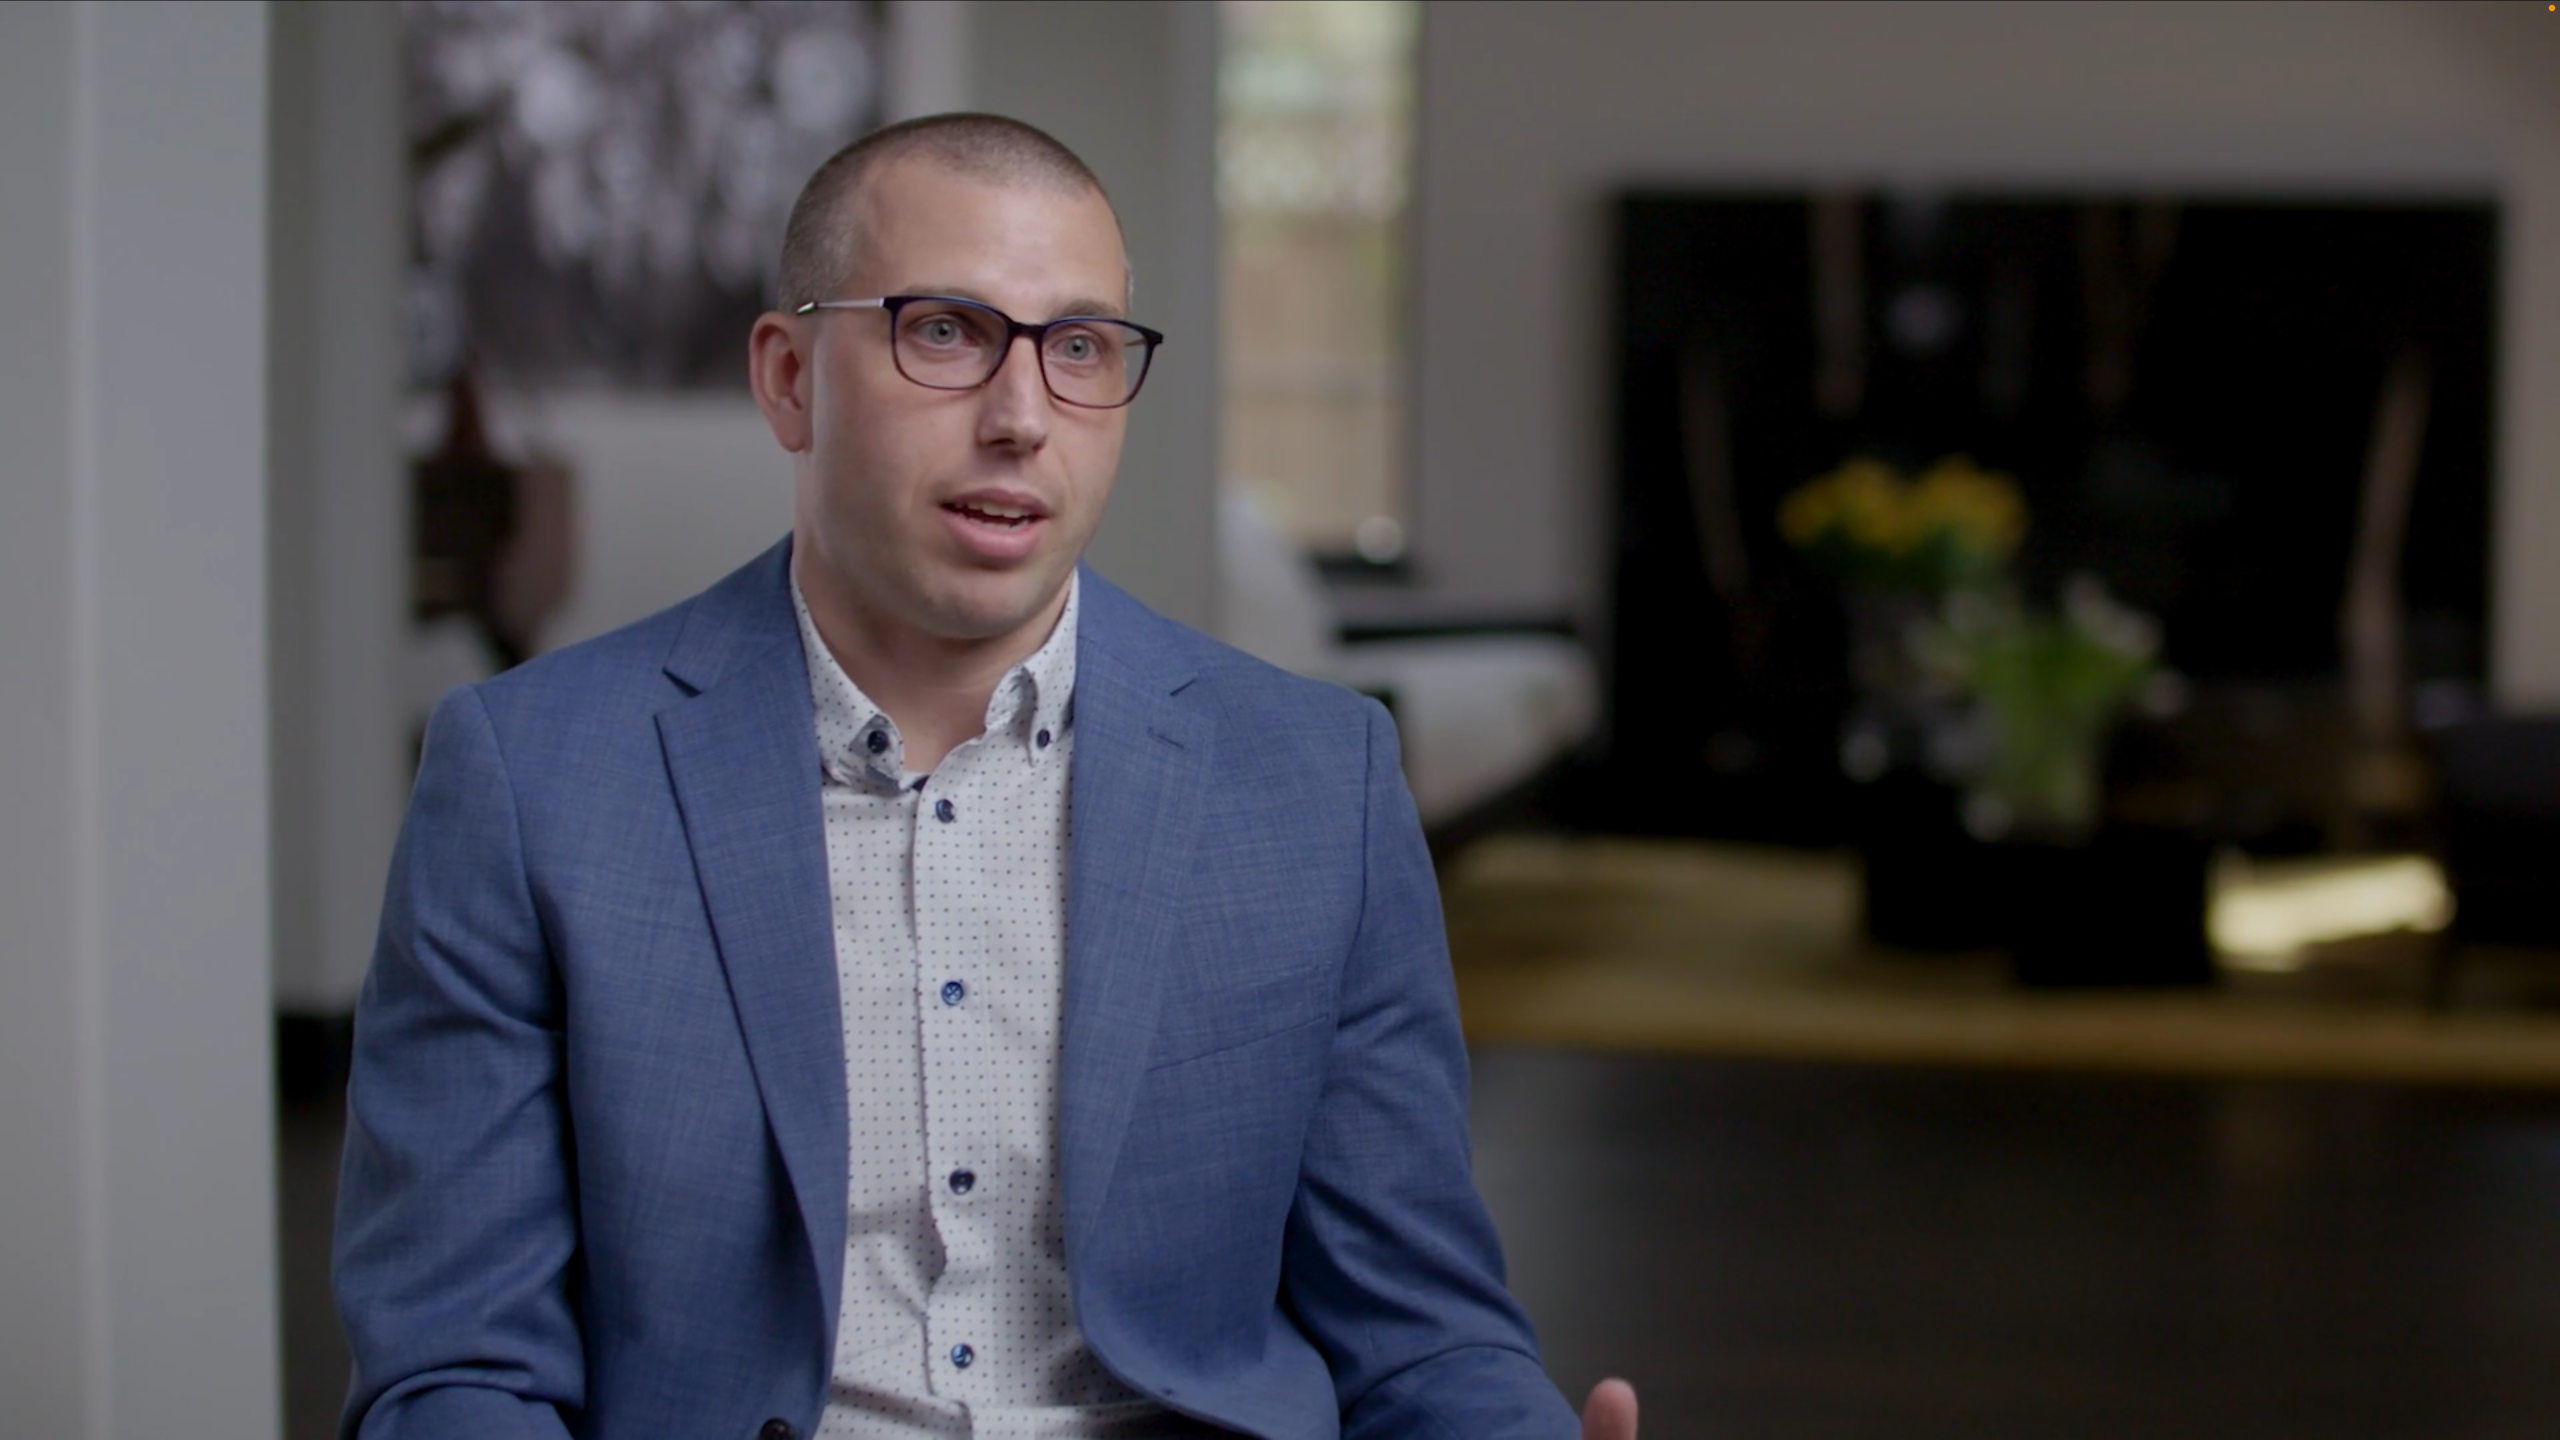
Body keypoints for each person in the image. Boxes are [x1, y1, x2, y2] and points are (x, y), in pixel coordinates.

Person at [334, 112, 1639, 1440]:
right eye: (946, 332)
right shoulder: (532, 779)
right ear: (788, 378)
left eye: (1078, 348)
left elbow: (1421, 1341)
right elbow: (457, 1372)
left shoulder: (1316, 781)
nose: (1021, 419)